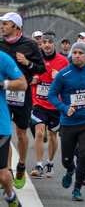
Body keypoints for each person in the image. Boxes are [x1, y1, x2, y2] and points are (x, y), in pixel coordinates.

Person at [48, 42, 85, 201]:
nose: (76, 55)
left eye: (80, 53)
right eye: (74, 52)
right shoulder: (63, 74)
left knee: (84, 155)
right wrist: (63, 107)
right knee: (66, 159)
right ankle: (70, 170)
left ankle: (77, 189)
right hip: (68, 123)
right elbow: (52, 95)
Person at [0, 12, 46, 189]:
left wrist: (27, 63)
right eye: (1, 23)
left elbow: (41, 69)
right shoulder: (0, 44)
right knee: (5, 132)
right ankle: (8, 170)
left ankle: (21, 165)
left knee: (21, 134)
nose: (2, 26)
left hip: (22, 94)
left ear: (15, 26)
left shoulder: (30, 45)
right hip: (3, 94)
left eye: (5, 24)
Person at [30, 32, 69, 178]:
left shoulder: (63, 61)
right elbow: (25, 76)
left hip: (55, 104)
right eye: (44, 42)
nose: (46, 44)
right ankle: (39, 165)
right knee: (39, 133)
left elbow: (69, 82)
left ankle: (50, 163)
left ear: (54, 44)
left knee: (53, 137)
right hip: (39, 102)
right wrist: (31, 80)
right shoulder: (35, 59)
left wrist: (59, 76)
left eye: (49, 42)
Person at [0, 51, 27, 207]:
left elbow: (22, 84)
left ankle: (10, 196)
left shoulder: (2, 58)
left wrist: (2, 83)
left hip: (0, 125)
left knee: (3, 176)